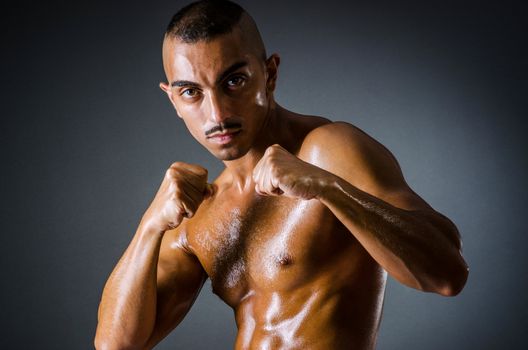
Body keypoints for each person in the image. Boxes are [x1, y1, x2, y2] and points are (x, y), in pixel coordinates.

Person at [94, 1, 469, 349]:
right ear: (173, 100)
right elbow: (117, 345)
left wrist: (327, 188)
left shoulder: (328, 150)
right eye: (192, 92)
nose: (218, 114)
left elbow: (447, 274)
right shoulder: (198, 212)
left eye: (234, 81)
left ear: (269, 73)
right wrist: (148, 227)